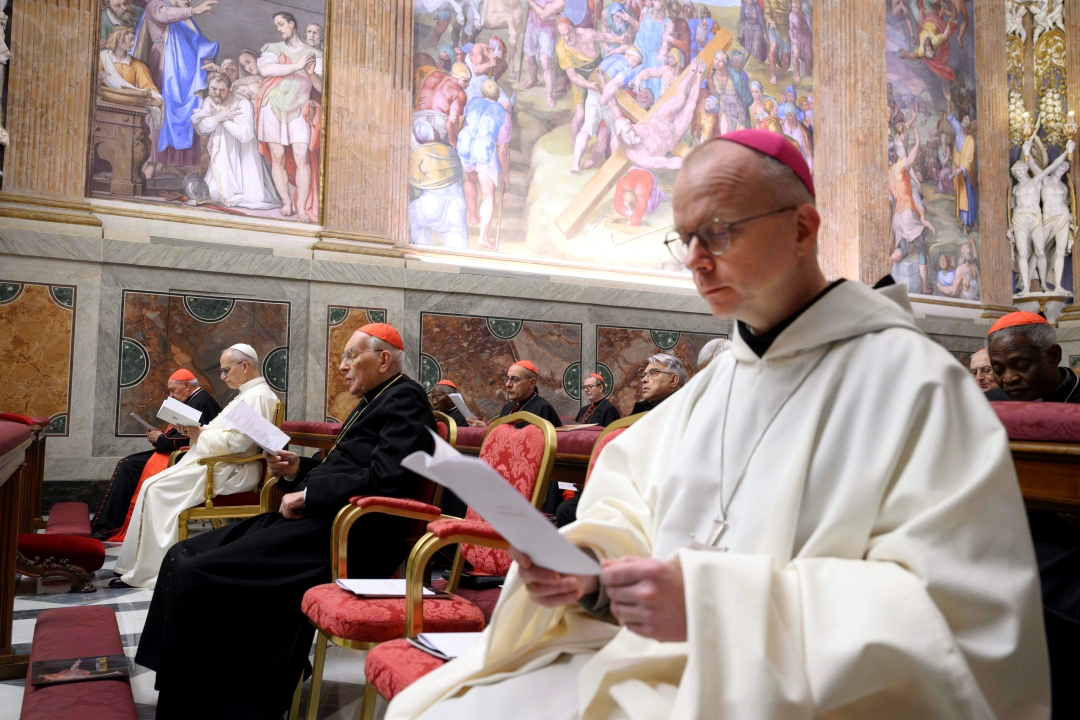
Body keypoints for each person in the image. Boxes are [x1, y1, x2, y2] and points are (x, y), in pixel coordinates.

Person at [386, 128, 1050, 720]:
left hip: (781, 695)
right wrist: (588, 574)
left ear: (802, 227)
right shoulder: (709, 392)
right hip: (642, 663)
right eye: (685, 237)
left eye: (720, 230)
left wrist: (714, 605)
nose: (696, 259)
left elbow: (955, 624)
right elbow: (629, 515)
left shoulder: (916, 384)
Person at [136, 324, 437, 720]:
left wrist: (310, 493)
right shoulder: (376, 399)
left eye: (351, 356)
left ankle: (220, 700)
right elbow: (345, 470)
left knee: (201, 571)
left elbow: (386, 479)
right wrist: (300, 470)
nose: (342, 367)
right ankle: (192, 680)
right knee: (183, 552)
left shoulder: (405, 399)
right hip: (326, 522)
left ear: (383, 359)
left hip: (354, 537)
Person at [112, 344, 279, 588]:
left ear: (244, 366)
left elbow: (239, 442)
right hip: (220, 462)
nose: (222, 377)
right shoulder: (248, 394)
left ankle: (157, 571)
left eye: (225, 370)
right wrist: (195, 430)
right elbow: (227, 432)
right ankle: (135, 567)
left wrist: (200, 432)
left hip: (233, 469)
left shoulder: (258, 397)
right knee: (150, 485)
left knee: (156, 490)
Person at [91, 369, 221, 539]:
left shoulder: (200, 402)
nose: (171, 395)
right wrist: (160, 438)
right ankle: (105, 524)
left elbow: (186, 440)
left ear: (187, 386)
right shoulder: (196, 399)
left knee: (127, 465)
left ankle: (109, 527)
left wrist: (160, 439)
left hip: (184, 458)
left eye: (173, 390)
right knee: (128, 464)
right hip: (179, 454)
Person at [132, 0, 219, 175]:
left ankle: (170, 163)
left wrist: (208, 63)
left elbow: (201, 43)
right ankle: (151, 162)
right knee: (159, 114)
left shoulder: (186, 19)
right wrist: (193, 10)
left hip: (187, 80)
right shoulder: (156, 5)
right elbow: (164, 14)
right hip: (164, 70)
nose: (189, 1)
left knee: (185, 119)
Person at [256, 11, 324, 223]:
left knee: (302, 157)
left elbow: (322, 88)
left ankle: (301, 207)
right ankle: (286, 201)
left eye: (282, 24)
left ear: (292, 24)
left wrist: (311, 73)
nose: (279, 28)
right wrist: (297, 66)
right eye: (277, 25)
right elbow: (266, 69)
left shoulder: (314, 54)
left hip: (299, 109)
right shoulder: (273, 48)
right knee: (277, 156)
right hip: (273, 106)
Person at [192, 72, 283, 210]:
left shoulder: (243, 104)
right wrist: (218, 118)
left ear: (228, 89)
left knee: (253, 197)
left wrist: (224, 120)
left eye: (222, 90)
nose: (217, 93)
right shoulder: (208, 101)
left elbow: (245, 135)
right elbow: (201, 128)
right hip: (222, 151)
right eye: (213, 89)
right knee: (217, 193)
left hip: (243, 153)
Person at [607, 59, 706, 171]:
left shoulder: (623, 125)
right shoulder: (639, 157)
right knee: (690, 106)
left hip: (659, 118)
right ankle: (698, 75)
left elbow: (613, 104)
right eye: (628, 132)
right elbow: (669, 162)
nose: (632, 132)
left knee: (681, 99)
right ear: (621, 137)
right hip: (673, 134)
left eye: (630, 128)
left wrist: (603, 82)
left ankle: (691, 72)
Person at [98, 25, 164, 182]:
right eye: (130, 39)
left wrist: (156, 100)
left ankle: (126, 179)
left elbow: (152, 91)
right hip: (104, 108)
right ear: (119, 39)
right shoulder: (102, 58)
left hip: (128, 112)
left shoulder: (138, 66)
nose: (133, 43)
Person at [457, 80, 510, 250]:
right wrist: (506, 174)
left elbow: (464, 120)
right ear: (497, 96)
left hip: (465, 144)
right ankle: (483, 237)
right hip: (483, 149)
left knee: (470, 179)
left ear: (483, 94)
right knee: (488, 195)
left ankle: (472, 216)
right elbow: (502, 150)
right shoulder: (504, 114)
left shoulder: (472, 102)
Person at [985, 311, 1079, 403]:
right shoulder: (987, 403)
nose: (1008, 379)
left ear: (1053, 356)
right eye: (998, 369)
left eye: (1021, 365)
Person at [466, 360, 563, 429]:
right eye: (507, 379)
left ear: (531, 383)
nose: (508, 384)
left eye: (515, 379)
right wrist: (485, 428)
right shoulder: (507, 408)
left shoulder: (543, 408)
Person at [414, 62, 471, 147]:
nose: (467, 85)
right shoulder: (460, 93)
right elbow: (452, 120)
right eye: (465, 81)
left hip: (417, 119)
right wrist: (453, 142)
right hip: (438, 123)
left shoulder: (435, 73)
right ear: (456, 77)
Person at [523, 0, 564, 108]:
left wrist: (530, 2)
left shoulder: (560, 2)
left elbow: (543, 15)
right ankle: (533, 78)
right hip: (532, 24)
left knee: (545, 61)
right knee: (528, 58)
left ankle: (549, 95)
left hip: (547, 29)